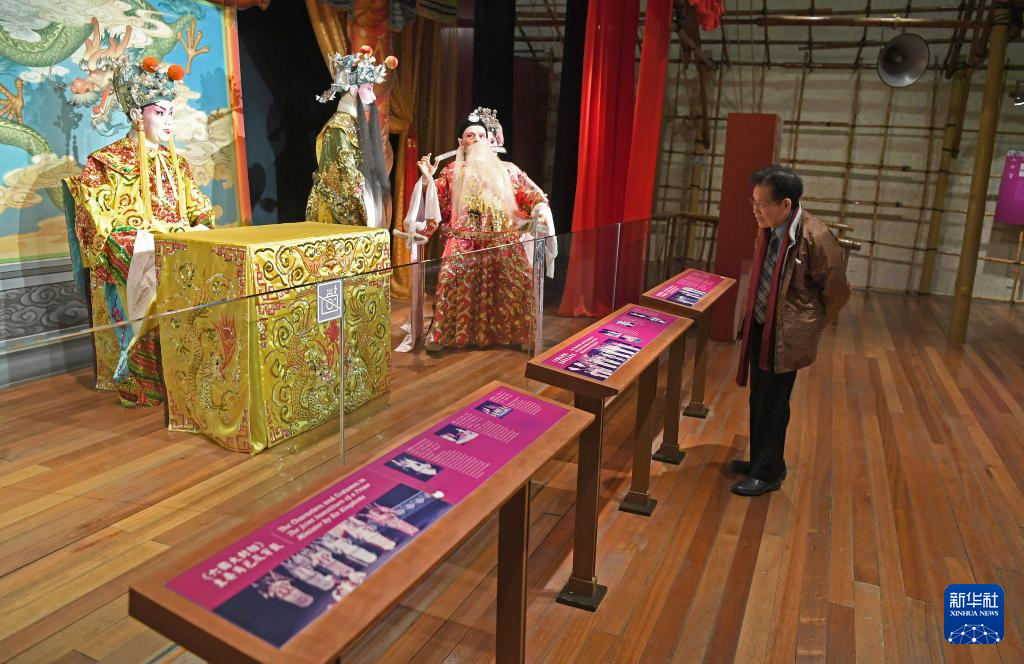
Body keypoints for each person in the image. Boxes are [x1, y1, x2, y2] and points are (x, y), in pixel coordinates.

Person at [67, 55, 214, 407]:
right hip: (134, 253)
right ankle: (143, 374)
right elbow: (99, 224)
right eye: (159, 113)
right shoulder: (105, 163)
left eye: (171, 113)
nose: (168, 121)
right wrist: (152, 241)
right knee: (150, 263)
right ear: (136, 114)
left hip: (176, 248)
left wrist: (199, 226)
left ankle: (195, 371)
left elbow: (199, 208)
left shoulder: (177, 163)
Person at [732, 164, 850, 496]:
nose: (755, 210)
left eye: (762, 204)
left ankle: (767, 473)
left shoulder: (815, 235)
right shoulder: (770, 228)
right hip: (762, 324)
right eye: (753, 202)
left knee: (774, 402)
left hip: (786, 333)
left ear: (785, 204)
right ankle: (765, 461)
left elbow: (838, 291)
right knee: (760, 397)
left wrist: (809, 325)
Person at [402, 108, 553, 352]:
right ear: (461, 141)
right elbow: (437, 201)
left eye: (481, 135)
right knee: (450, 279)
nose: (477, 140)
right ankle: (443, 335)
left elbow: (528, 194)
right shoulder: (452, 171)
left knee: (519, 281)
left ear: (489, 139)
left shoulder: (505, 170)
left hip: (502, 240)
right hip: (464, 241)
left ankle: (522, 333)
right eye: (470, 135)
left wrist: (538, 208)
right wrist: (428, 181)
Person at [306, 45, 397, 228]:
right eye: (368, 87)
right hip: (341, 207)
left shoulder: (355, 125)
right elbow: (343, 176)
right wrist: (364, 199)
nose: (372, 95)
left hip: (363, 197)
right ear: (353, 90)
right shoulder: (338, 128)